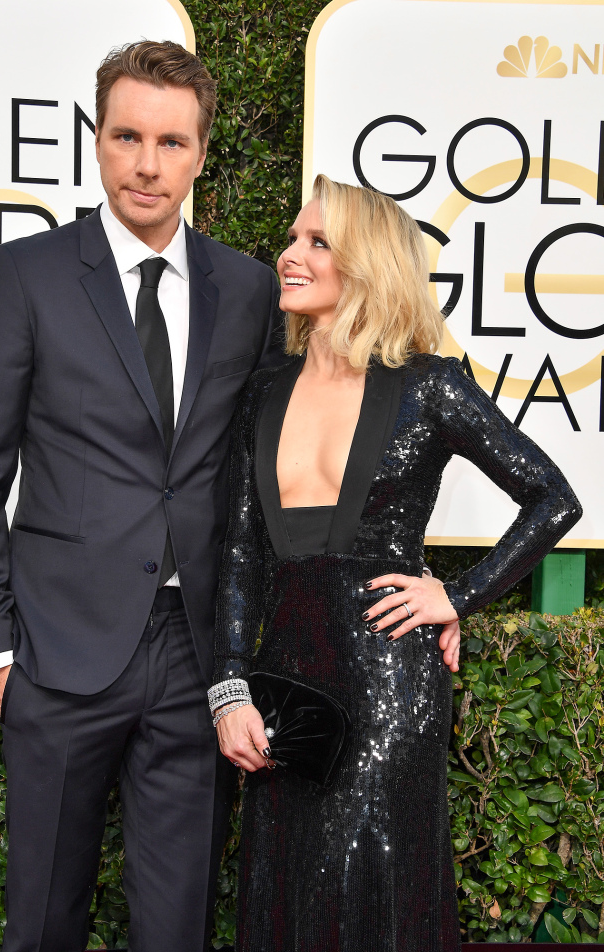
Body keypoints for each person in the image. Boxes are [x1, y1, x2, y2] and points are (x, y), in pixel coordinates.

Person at [0, 40, 283, 952]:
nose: (146, 163)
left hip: (196, 656)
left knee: (177, 928)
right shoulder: (27, 276)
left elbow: (269, 473)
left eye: (170, 142)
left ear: (201, 153)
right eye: (127, 135)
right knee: (44, 921)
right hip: (54, 652)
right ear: (98, 139)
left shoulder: (247, 290)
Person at [208, 175, 582, 952]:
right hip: (286, 684)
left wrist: (457, 594)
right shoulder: (262, 391)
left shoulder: (430, 387)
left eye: (317, 242)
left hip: (388, 683)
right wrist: (229, 688)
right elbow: (242, 550)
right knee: (287, 879)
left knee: (367, 875)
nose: (289, 255)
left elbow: (552, 497)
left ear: (367, 263)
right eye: (293, 238)